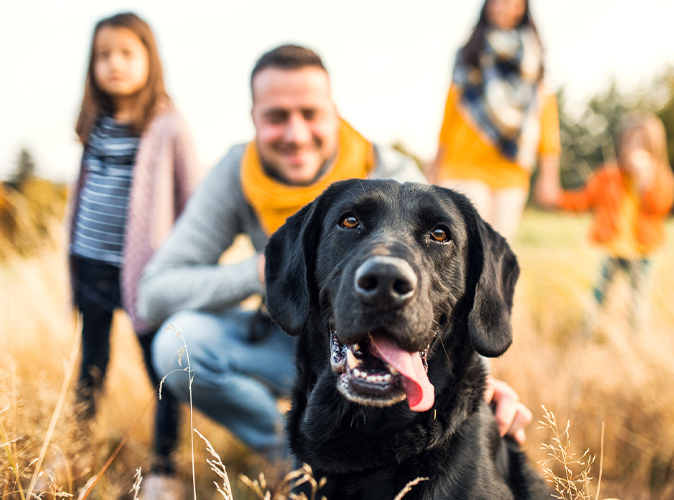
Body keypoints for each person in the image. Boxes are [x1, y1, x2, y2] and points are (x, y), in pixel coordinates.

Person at [137, 44, 534, 471]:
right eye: (276, 117)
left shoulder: (395, 176)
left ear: (334, 112)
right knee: (178, 345)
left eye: (310, 113)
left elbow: (446, 287)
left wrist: (485, 384)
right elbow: (154, 294)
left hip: (386, 339)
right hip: (289, 335)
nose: (295, 134)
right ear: (253, 119)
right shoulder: (237, 173)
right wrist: (266, 272)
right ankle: (299, 461)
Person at [66, 12, 201, 497]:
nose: (114, 64)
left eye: (126, 53)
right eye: (104, 56)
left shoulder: (167, 124)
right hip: (90, 264)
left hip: (148, 276)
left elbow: (195, 200)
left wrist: (185, 265)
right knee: (91, 365)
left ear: (149, 59)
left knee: (162, 367)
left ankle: (164, 467)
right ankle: (75, 449)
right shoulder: (95, 123)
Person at [426, 0, 561, 240]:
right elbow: (450, 111)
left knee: (497, 250)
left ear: (523, 7)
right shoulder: (469, 52)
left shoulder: (534, 59)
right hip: (465, 164)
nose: (504, 6)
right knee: (468, 243)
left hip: (512, 168)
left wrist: (549, 176)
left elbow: (546, 116)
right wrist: (436, 163)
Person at [550, 114, 674, 331]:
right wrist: (557, 200)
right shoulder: (608, 176)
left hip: (643, 251)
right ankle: (587, 331)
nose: (635, 148)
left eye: (642, 143)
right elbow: (584, 199)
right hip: (614, 248)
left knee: (638, 298)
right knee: (600, 293)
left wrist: (645, 182)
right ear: (621, 145)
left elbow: (661, 207)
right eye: (630, 142)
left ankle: (637, 335)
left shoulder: (660, 177)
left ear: (655, 147)